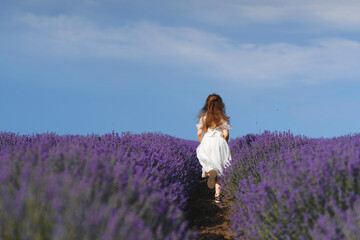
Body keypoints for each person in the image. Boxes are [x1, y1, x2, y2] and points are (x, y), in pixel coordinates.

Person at [196, 93, 232, 204]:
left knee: (208, 165)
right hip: (219, 143)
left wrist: (203, 144)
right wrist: (224, 144)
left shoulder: (204, 118)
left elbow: (198, 133)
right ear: (221, 105)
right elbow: (225, 135)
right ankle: (217, 196)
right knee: (221, 170)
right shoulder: (223, 119)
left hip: (207, 142)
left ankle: (210, 173)